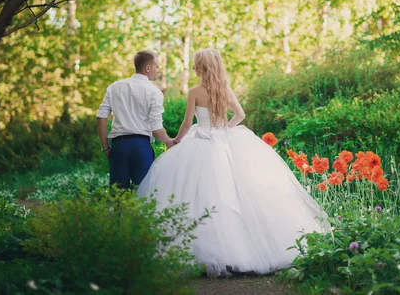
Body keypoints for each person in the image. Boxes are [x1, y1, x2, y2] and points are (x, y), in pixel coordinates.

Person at [137, 48, 329, 276]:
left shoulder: (194, 92)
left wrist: (176, 140)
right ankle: (242, 251)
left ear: (204, 67)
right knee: (233, 193)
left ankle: (207, 252)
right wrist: (224, 129)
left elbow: (188, 123)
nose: (194, 67)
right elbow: (240, 115)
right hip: (222, 141)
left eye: (196, 64)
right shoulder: (224, 89)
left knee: (203, 194)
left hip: (202, 142)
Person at [97, 50, 175, 189]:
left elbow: (101, 116)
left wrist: (105, 147)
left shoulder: (115, 87)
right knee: (143, 195)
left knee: (118, 197)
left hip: (119, 147)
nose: (158, 70)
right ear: (147, 68)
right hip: (141, 148)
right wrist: (170, 142)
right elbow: (157, 130)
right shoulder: (154, 93)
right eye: (157, 67)